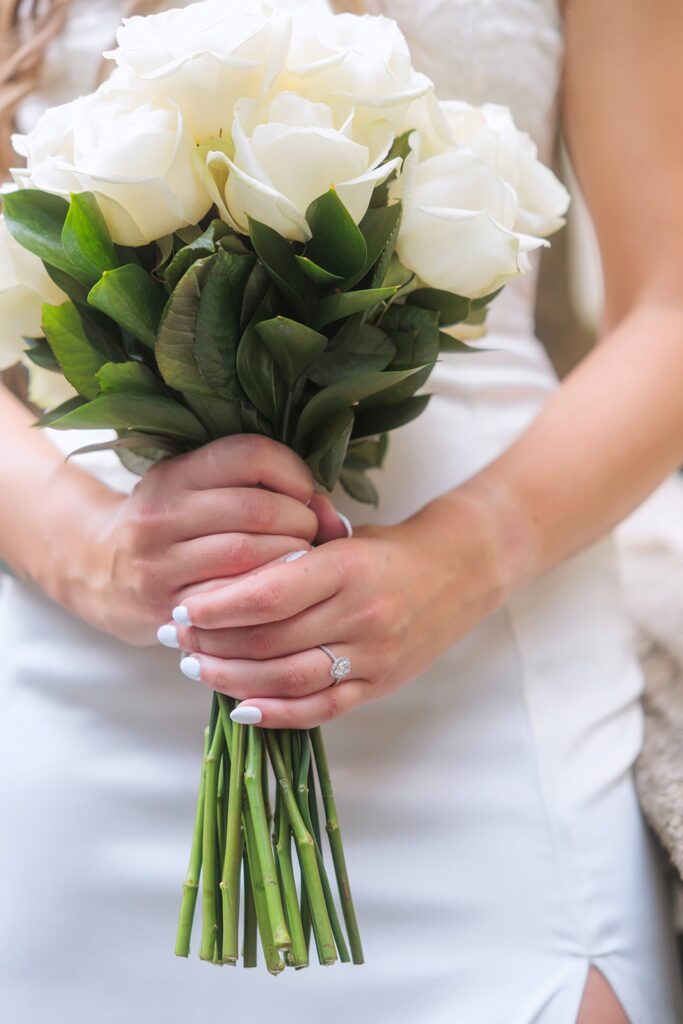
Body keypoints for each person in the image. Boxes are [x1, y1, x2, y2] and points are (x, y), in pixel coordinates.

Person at [1, 0, 683, 1021]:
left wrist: (461, 561)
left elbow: (668, 304)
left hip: (486, 654)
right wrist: (89, 552)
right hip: (87, 678)